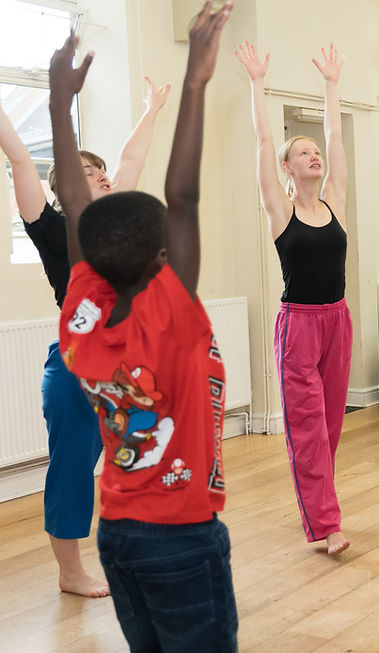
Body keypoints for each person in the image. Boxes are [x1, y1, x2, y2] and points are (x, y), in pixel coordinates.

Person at [50, 0, 236, 649]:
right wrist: (195, 80)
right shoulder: (170, 315)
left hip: (120, 532)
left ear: (93, 261)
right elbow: (183, 195)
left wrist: (58, 107)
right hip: (182, 534)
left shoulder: (82, 317)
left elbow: (75, 203)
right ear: (164, 258)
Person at [0, 69, 169, 598]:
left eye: (102, 173)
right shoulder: (49, 226)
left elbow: (133, 160)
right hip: (76, 366)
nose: (104, 178)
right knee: (73, 468)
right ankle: (71, 571)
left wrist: (152, 108)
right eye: (90, 173)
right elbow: (21, 160)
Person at [235, 39, 353, 554]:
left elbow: (336, 136)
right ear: (288, 168)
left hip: (338, 320)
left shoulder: (335, 202)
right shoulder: (281, 211)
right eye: (302, 152)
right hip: (299, 326)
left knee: (329, 426)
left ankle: (317, 500)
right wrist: (257, 84)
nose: (314, 154)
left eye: (316, 152)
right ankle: (326, 524)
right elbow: (264, 141)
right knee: (308, 430)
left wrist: (331, 87)